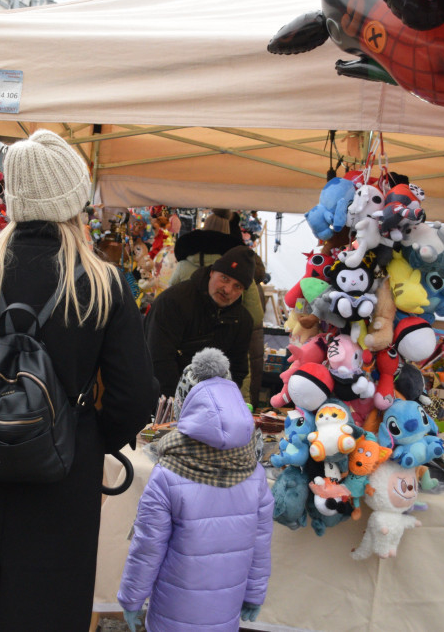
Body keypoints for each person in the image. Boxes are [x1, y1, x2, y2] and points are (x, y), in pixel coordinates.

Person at [0, 129, 158, 631]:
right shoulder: (102, 283)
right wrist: (88, 437)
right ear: (73, 200)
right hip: (61, 479)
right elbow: (136, 397)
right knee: (46, 605)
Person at [117, 350, 273, 632]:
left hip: (171, 610)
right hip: (226, 609)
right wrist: (254, 594)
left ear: (184, 407)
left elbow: (148, 546)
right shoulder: (255, 473)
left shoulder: (168, 473)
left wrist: (132, 598)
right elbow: (261, 544)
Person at [169, 211, 267, 405]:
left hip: (184, 354)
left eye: (235, 286)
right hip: (229, 351)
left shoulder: (184, 264)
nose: (228, 288)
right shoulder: (241, 267)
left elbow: (168, 302)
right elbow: (255, 317)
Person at [145, 245, 255, 397]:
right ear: (212, 272)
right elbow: (158, 359)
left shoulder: (242, 321)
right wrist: (180, 403)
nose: (227, 290)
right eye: (224, 278)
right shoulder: (173, 302)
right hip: (161, 400)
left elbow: (237, 370)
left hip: (210, 407)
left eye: (237, 286)